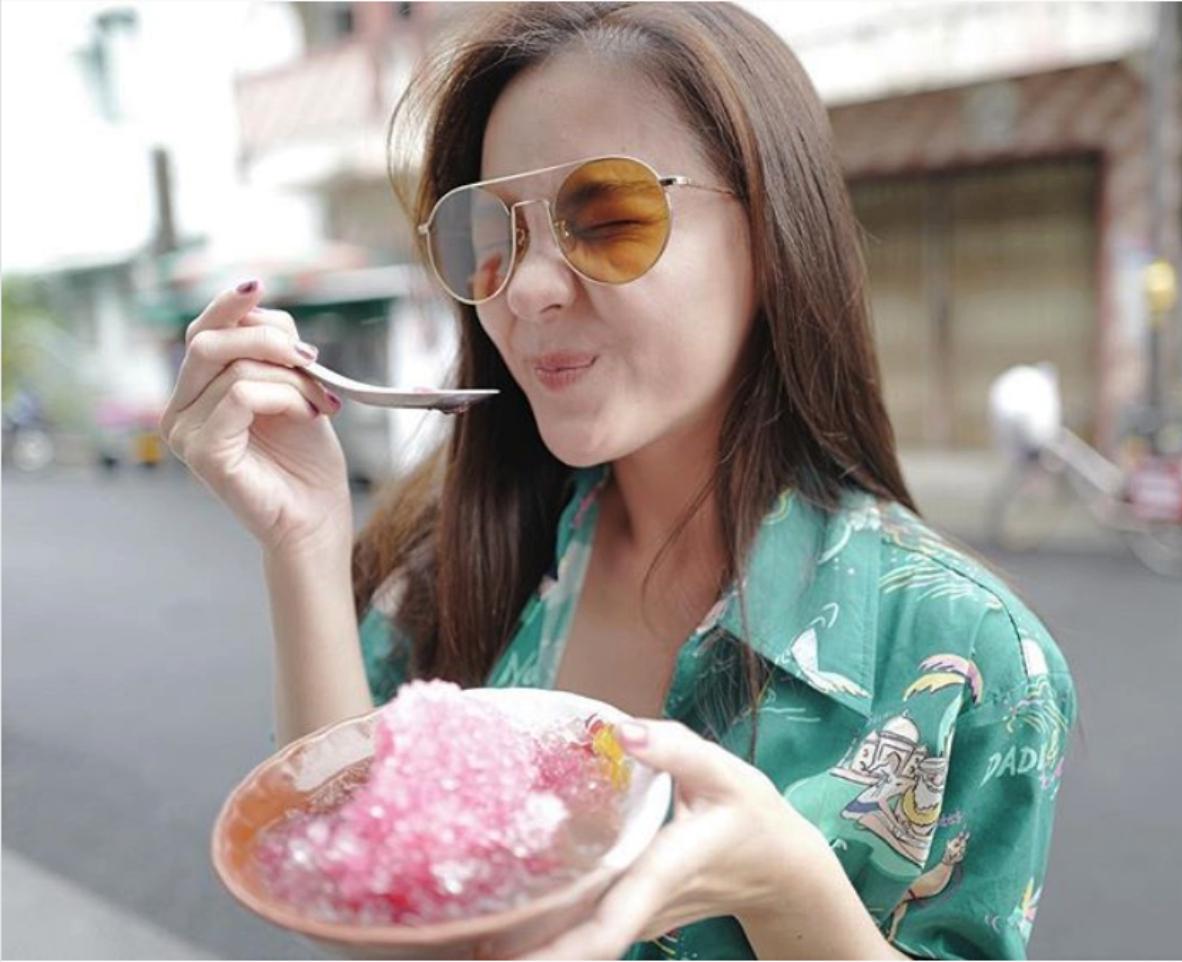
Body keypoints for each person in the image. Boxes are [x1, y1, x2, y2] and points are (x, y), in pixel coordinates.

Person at [160, 3, 1076, 959]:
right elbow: (373, 922)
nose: (527, 289)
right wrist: (303, 541)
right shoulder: (447, 567)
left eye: (607, 219)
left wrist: (788, 895)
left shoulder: (969, 660)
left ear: (773, 235)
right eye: (488, 233)